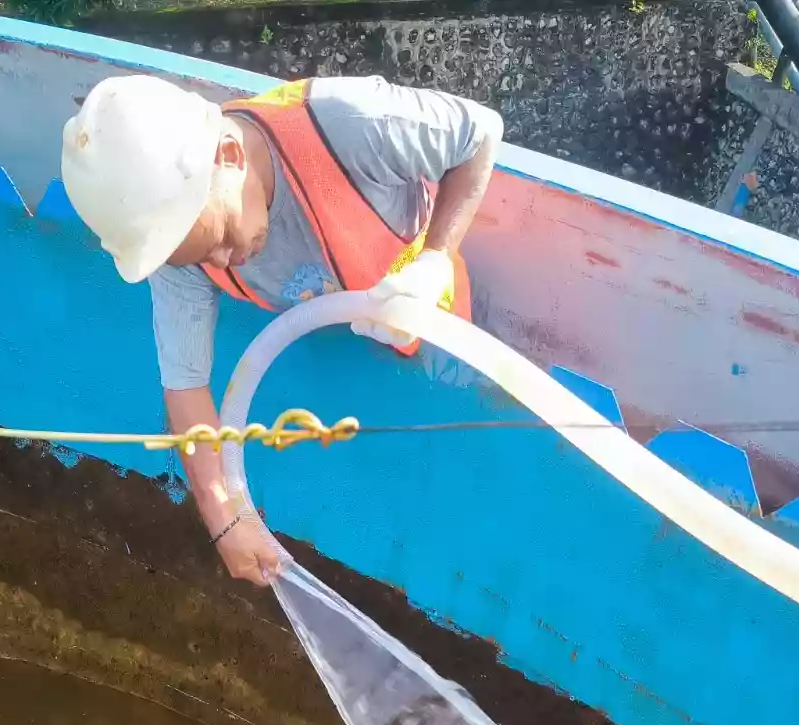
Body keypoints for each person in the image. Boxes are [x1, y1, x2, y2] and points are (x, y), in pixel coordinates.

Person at [60, 74, 503, 586]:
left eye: (220, 236)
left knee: (451, 465)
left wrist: (435, 258)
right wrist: (224, 520)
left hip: (431, 328)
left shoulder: (345, 124)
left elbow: (479, 133)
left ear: (228, 155)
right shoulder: (178, 245)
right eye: (201, 257)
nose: (225, 261)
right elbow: (185, 384)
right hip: (334, 351)